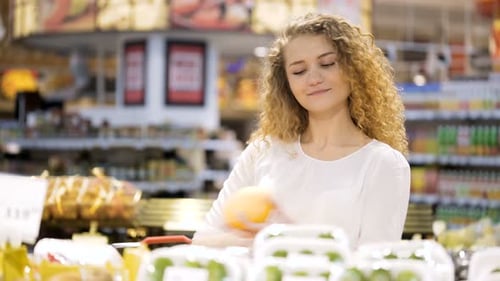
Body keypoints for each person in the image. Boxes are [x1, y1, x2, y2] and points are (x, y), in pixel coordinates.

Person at [192, 12, 410, 249]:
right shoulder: (262, 152)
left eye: (327, 64)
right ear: (287, 84)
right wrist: (254, 242)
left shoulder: (383, 163)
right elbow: (203, 240)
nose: (314, 78)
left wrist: (281, 241)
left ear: (353, 69)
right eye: (298, 71)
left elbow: (374, 265)